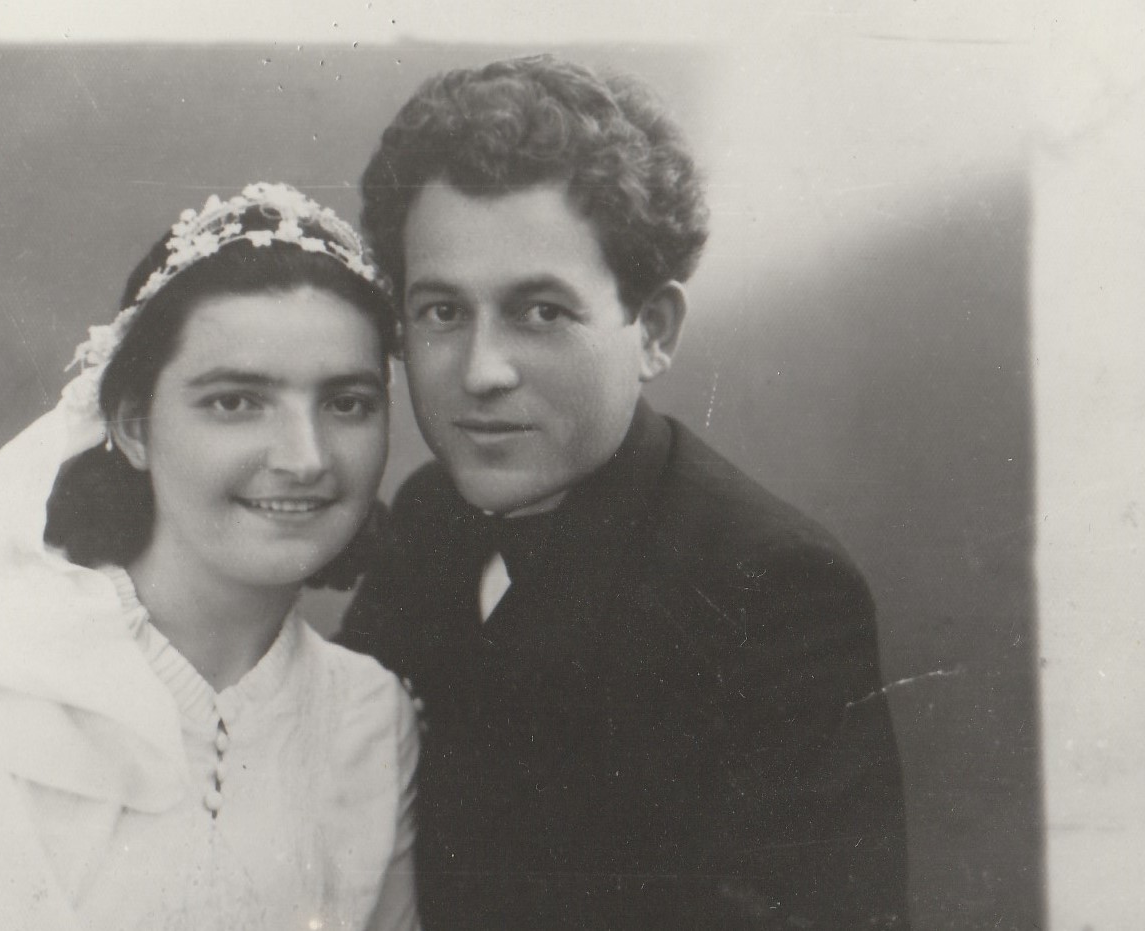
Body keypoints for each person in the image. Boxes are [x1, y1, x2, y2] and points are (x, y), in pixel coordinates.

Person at [339, 55, 909, 929]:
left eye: (541, 312)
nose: (481, 372)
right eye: (443, 311)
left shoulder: (773, 587)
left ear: (654, 330)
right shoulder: (428, 516)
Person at [0, 183, 419, 931]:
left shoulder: (368, 717)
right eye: (236, 401)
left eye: (346, 402)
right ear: (131, 426)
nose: (305, 456)